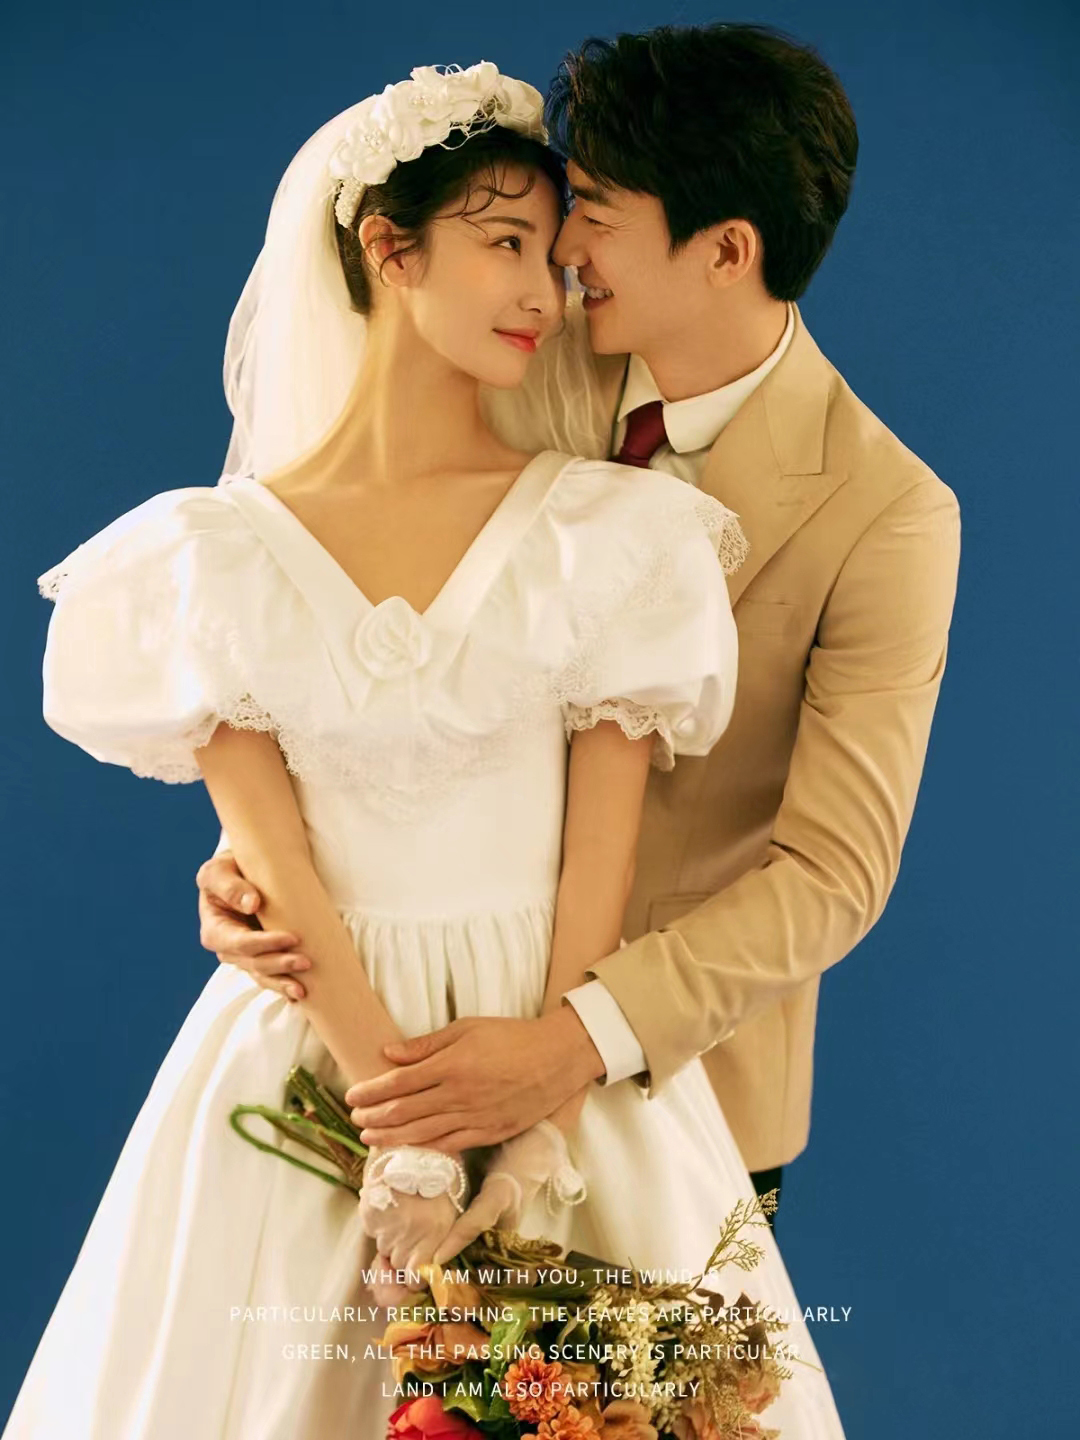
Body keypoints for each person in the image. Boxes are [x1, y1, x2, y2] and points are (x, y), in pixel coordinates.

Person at [7, 63, 846, 1440]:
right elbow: (273, 858)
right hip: (318, 1055)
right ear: (388, 250)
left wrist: (536, 1131)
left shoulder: (607, 535)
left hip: (550, 1048)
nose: (545, 294)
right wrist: (399, 1140)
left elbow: (597, 864)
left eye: (555, 258)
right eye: (504, 243)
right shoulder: (210, 558)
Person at [199, 23, 962, 1231]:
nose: (561, 248)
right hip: (412, 1042)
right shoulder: (517, 362)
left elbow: (834, 874)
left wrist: (572, 1042)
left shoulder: (889, 512)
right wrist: (261, 865)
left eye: (596, 211)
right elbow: (352, 616)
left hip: (684, 1088)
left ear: (727, 249)